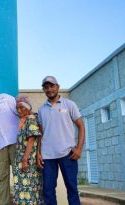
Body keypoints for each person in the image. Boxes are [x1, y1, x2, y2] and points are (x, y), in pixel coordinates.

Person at [36, 76, 85, 205]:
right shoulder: (41, 110)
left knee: (72, 188)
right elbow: (41, 134)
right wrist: (38, 153)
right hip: (47, 156)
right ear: (44, 90)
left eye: (52, 86)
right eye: (46, 87)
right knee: (48, 190)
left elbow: (81, 126)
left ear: (57, 87)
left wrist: (79, 148)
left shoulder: (69, 104)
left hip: (68, 153)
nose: (49, 89)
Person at [13, 95, 44, 205]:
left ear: (28, 107)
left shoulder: (31, 119)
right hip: (19, 159)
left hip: (28, 159)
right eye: (17, 108)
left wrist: (25, 159)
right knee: (20, 189)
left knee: (29, 189)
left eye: (22, 107)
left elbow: (31, 141)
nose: (19, 110)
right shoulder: (20, 120)